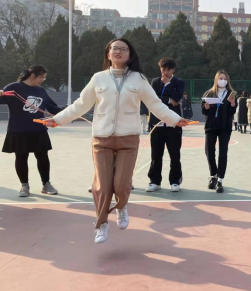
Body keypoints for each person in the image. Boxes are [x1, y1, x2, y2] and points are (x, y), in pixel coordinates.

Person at [48, 39, 189, 244]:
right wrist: (57, 119)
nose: (118, 51)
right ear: (108, 54)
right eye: (114, 49)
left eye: (123, 49)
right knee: (102, 186)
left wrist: (176, 119)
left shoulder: (139, 79)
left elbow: (155, 105)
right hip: (102, 138)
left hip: (128, 139)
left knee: (122, 184)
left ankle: (121, 206)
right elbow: (81, 104)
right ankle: (102, 224)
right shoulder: (98, 78)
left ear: (130, 55)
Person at [0, 65, 63, 197]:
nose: (43, 80)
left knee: (43, 157)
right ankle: (24, 185)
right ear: (33, 75)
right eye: (42, 77)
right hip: (18, 129)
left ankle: (46, 184)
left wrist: (73, 110)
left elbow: (53, 108)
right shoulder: (13, 87)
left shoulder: (41, 90)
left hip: (38, 129)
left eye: (44, 78)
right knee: (21, 157)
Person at [146, 58, 186, 193]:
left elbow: (178, 98)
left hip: (173, 124)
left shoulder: (179, 82)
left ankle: (175, 180)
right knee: (156, 154)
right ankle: (154, 181)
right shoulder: (155, 82)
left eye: (168, 69)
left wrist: (168, 84)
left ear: (173, 70)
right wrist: (169, 100)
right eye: (163, 69)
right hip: (156, 124)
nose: (165, 72)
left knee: (174, 154)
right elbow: (153, 100)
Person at [201, 70, 237, 193]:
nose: (223, 81)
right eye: (221, 78)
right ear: (216, 79)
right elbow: (204, 111)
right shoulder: (209, 93)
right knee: (209, 152)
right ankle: (213, 175)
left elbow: (232, 112)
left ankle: (220, 180)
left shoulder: (231, 94)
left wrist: (232, 104)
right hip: (211, 126)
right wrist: (206, 107)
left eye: (225, 79)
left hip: (225, 127)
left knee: (223, 153)